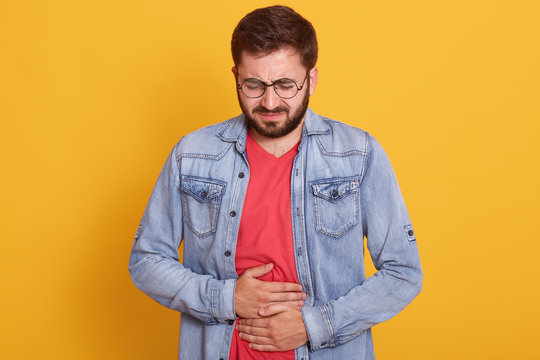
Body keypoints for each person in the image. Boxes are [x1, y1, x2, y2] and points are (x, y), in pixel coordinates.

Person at [129, 5, 422, 360]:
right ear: (236, 75)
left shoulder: (358, 155)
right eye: (253, 84)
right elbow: (146, 261)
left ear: (310, 79)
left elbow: (403, 273)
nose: (269, 101)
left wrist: (314, 326)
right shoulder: (192, 154)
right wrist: (225, 298)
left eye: (285, 84)